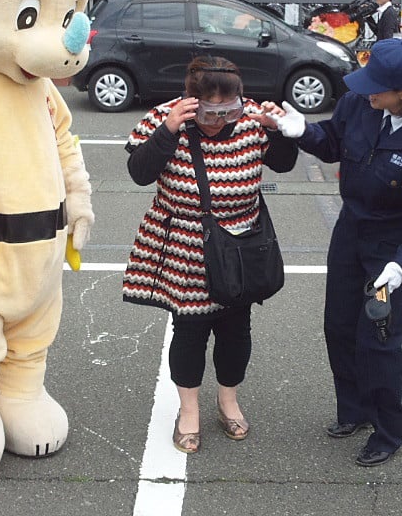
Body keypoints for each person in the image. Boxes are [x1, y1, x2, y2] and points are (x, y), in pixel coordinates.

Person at [265, 38, 402, 467]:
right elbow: (331, 142)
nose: (367, 92)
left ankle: (388, 430)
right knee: (338, 326)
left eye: (378, 88)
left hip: (391, 247)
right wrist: (301, 132)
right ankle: (353, 410)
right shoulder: (358, 105)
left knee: (379, 341)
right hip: (350, 233)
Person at [122, 57, 298, 454]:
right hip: (185, 243)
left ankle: (228, 399)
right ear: (190, 99)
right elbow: (139, 171)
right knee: (189, 330)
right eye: (208, 110)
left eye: (227, 110)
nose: (218, 119)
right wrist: (169, 129)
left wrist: (280, 131)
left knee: (237, 329)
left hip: (241, 243)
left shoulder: (252, 119)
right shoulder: (165, 119)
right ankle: (188, 410)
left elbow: (284, 163)